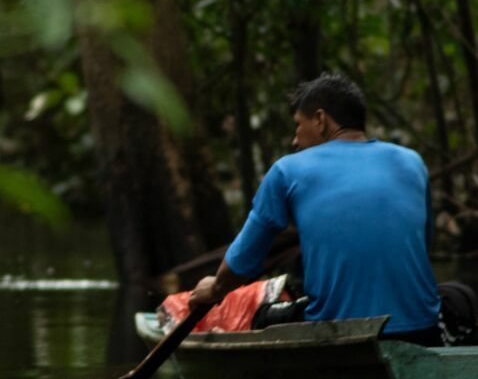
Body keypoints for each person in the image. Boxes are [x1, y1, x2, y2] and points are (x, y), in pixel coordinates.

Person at [189, 73, 445, 344]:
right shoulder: (412, 161)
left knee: (263, 316)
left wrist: (215, 288)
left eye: (298, 125)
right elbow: (422, 244)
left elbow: (246, 257)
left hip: (339, 335)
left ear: (321, 120)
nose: (294, 140)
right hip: (422, 330)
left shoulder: (287, 170)